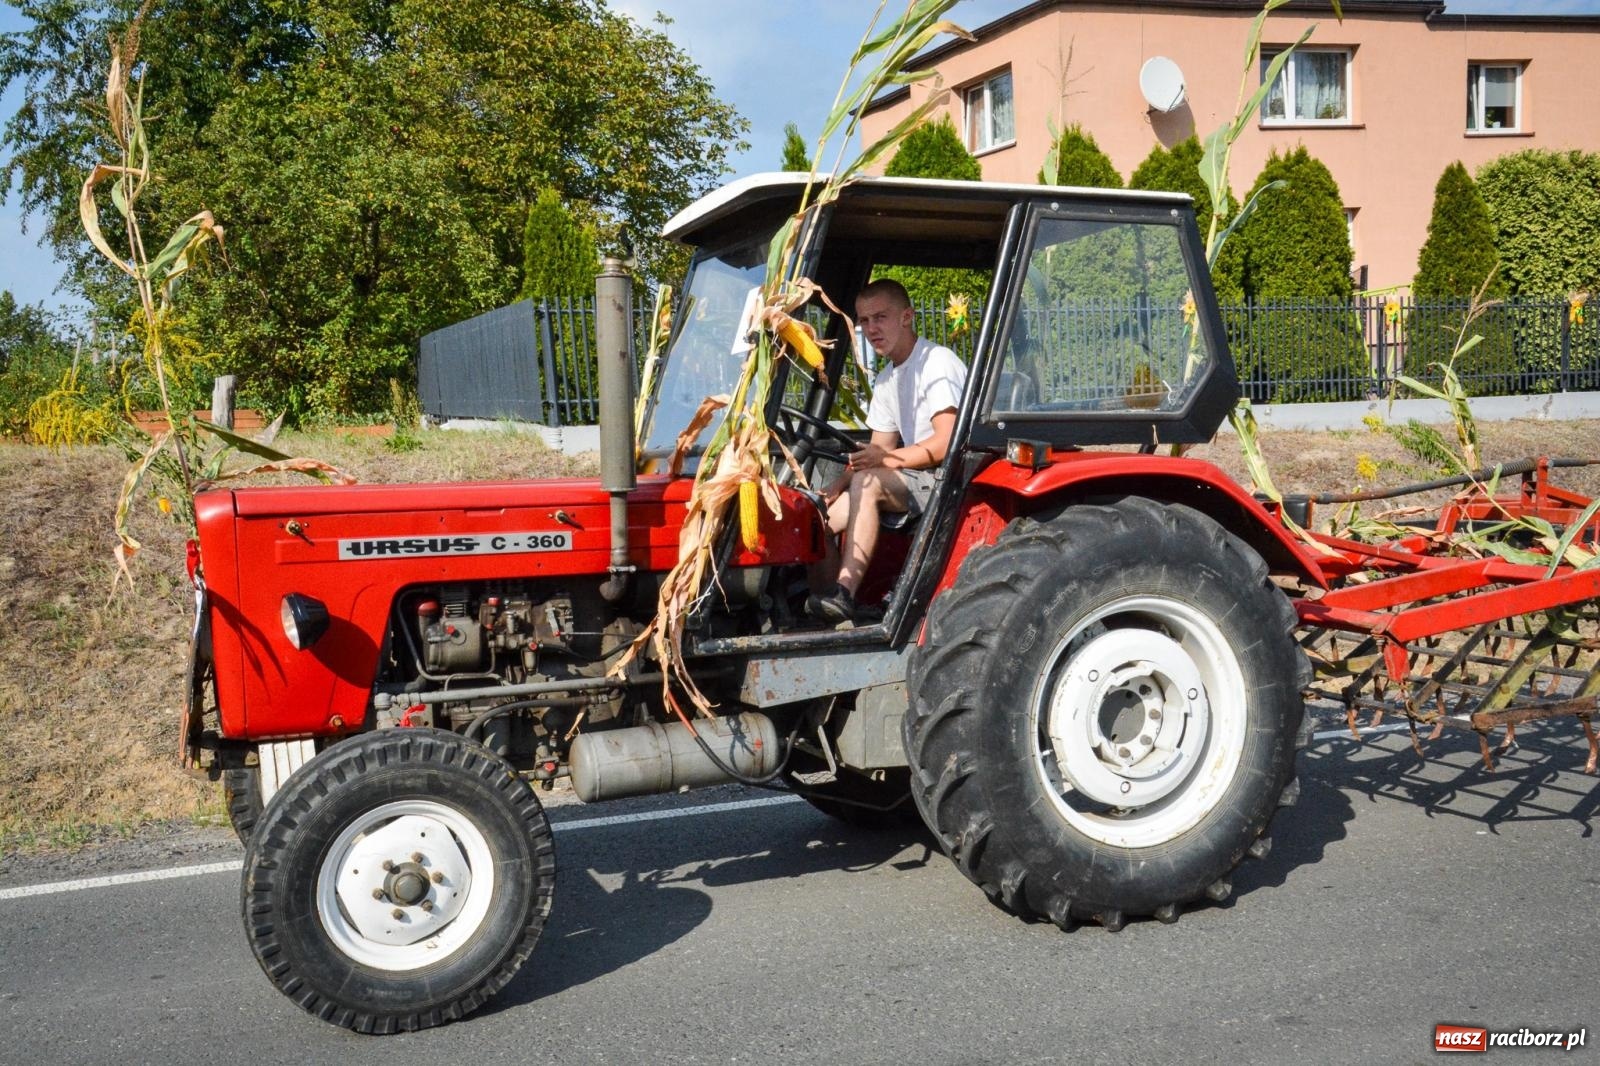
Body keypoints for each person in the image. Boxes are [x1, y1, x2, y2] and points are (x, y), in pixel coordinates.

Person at [808, 279, 967, 624]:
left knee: (869, 481)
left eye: (880, 317)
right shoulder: (887, 380)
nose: (870, 329)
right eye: (864, 321)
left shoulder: (936, 363)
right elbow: (878, 448)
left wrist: (880, 463)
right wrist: (838, 485)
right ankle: (823, 609)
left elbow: (946, 444)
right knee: (812, 516)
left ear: (907, 316)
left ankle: (845, 592)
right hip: (909, 476)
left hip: (946, 480)